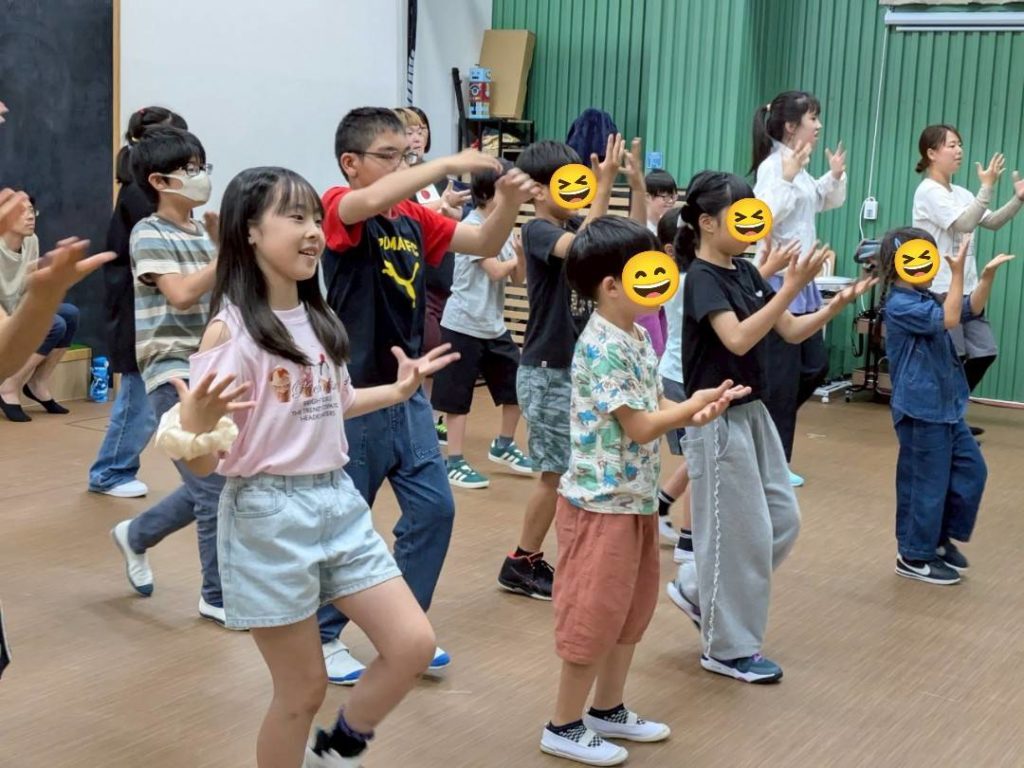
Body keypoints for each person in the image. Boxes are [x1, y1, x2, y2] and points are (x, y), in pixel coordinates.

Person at [164, 165, 455, 768]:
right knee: (302, 691)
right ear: (249, 231)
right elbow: (208, 464)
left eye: (315, 219)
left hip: (337, 502)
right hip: (267, 515)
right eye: (294, 217)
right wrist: (194, 424)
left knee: (412, 644)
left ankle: (341, 747)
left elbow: (334, 401)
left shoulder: (320, 319)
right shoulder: (230, 333)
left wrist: (398, 392)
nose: (313, 232)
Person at [316, 106, 537, 684]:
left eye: (406, 156)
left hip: (409, 392)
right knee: (348, 522)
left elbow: (483, 239)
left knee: (435, 509)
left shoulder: (414, 217)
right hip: (356, 393)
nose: (401, 165)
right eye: (389, 156)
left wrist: (507, 200)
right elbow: (361, 204)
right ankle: (321, 634)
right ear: (351, 163)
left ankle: (402, 629)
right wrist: (441, 164)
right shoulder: (339, 205)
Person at [539, 216, 748, 766]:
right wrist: (687, 408)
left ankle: (606, 709)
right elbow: (639, 426)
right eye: (647, 272)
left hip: (633, 499)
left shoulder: (634, 335)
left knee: (629, 610)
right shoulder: (602, 345)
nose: (662, 280)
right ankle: (562, 724)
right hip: (599, 505)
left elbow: (654, 406)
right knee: (591, 614)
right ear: (613, 285)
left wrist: (694, 411)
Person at [666, 171, 872, 683]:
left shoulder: (743, 270)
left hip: (752, 412)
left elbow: (789, 329)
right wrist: (789, 289)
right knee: (737, 533)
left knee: (781, 520)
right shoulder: (702, 279)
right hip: (715, 415)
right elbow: (737, 338)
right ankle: (727, 649)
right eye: (740, 216)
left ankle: (698, 589)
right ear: (708, 223)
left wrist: (833, 306)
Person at [497, 134, 646, 601]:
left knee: (571, 470)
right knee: (555, 472)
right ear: (538, 191)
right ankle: (522, 562)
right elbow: (583, 249)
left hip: (577, 370)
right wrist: (603, 188)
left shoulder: (579, 221)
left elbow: (630, 242)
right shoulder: (537, 230)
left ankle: (560, 557)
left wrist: (634, 187)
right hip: (547, 370)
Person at [108, 126, 227, 624]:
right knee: (215, 489)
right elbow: (180, 295)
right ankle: (217, 596)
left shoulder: (205, 232)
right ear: (159, 181)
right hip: (173, 369)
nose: (201, 177)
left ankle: (136, 535)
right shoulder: (149, 231)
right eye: (190, 169)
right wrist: (228, 255)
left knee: (215, 482)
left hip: (216, 366)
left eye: (202, 166)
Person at [877, 227, 1013, 585]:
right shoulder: (901, 304)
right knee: (925, 484)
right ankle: (913, 555)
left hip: (947, 407)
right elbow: (951, 319)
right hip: (920, 410)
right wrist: (957, 274)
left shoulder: (928, 298)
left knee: (971, 470)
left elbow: (969, 308)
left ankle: (936, 539)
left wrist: (985, 277)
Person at [88, 106, 187, 497]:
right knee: (138, 399)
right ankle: (109, 472)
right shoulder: (139, 196)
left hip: (149, 311)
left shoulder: (145, 193)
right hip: (138, 312)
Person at [752, 90, 847, 487]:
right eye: (813, 118)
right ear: (791, 126)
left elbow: (817, 202)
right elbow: (763, 217)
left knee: (813, 366)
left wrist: (833, 176)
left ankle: (766, 431)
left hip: (801, 280)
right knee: (784, 377)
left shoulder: (798, 166)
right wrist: (788, 178)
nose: (819, 125)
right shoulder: (774, 166)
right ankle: (773, 464)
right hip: (777, 280)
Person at [911, 123, 1024, 433]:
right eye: (951, 145)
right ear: (931, 153)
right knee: (953, 357)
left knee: (984, 352)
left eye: (959, 144)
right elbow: (963, 224)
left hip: (968, 290)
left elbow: (992, 221)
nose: (959, 150)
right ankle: (946, 421)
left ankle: (951, 412)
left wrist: (1018, 199)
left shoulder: (959, 192)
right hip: (940, 289)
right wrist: (986, 188)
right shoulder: (928, 191)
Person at [430, 159, 534, 488]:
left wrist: (521, 259)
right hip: (462, 324)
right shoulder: (473, 226)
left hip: (493, 326)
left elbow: (516, 279)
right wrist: (518, 258)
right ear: (488, 193)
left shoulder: (502, 227)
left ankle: (504, 444)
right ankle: (454, 461)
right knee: (457, 400)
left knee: (516, 387)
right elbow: (495, 270)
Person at [0, 196, 80, 422]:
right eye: (21, 212)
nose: (29, 217)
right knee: (55, 324)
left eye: (31, 210)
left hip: (15, 306)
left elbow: (26, 286)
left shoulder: (31, 241)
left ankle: (37, 382)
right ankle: (9, 384)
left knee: (69, 314)